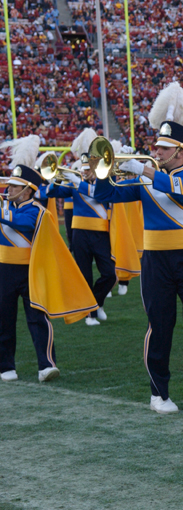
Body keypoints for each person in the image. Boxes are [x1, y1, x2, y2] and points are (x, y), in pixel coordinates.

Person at [80, 82, 183, 414]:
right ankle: (158, 394)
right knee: (160, 327)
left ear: (180, 152)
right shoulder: (145, 179)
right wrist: (103, 172)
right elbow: (105, 197)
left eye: (164, 149)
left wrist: (147, 171)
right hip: (156, 263)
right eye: (157, 147)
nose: (157, 151)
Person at [0, 136, 98, 383]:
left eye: (14, 186)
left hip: (32, 271)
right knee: (4, 319)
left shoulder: (36, 210)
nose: (8, 189)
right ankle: (5, 366)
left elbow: (22, 224)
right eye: (8, 185)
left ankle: (46, 364)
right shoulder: (6, 207)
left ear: (27, 190)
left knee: (37, 318)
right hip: (4, 271)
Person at [46, 128, 116, 326]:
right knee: (85, 274)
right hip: (80, 234)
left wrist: (77, 182)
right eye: (84, 169)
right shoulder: (76, 184)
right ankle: (89, 314)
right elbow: (51, 193)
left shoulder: (106, 183)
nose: (85, 172)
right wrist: (55, 179)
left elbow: (97, 195)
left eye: (89, 169)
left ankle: (97, 303)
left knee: (109, 274)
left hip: (101, 233)